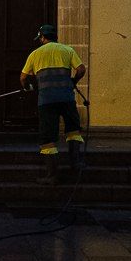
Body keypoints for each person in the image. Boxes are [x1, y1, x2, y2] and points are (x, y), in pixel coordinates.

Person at [20, 24, 86, 184]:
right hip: (67, 99)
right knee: (73, 130)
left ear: (42, 37)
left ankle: (52, 176)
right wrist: (72, 82)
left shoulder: (35, 54)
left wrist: (28, 87)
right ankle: (75, 165)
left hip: (46, 101)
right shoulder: (67, 50)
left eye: (40, 38)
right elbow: (81, 69)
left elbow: (23, 78)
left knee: (48, 138)